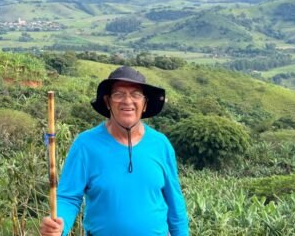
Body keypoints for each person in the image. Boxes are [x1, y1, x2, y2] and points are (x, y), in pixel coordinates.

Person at [40, 66, 189, 236]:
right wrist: (58, 226)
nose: (127, 101)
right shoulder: (85, 144)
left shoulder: (161, 144)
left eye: (136, 94)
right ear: (107, 102)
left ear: (145, 104)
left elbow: (175, 204)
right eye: (118, 94)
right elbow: (68, 197)